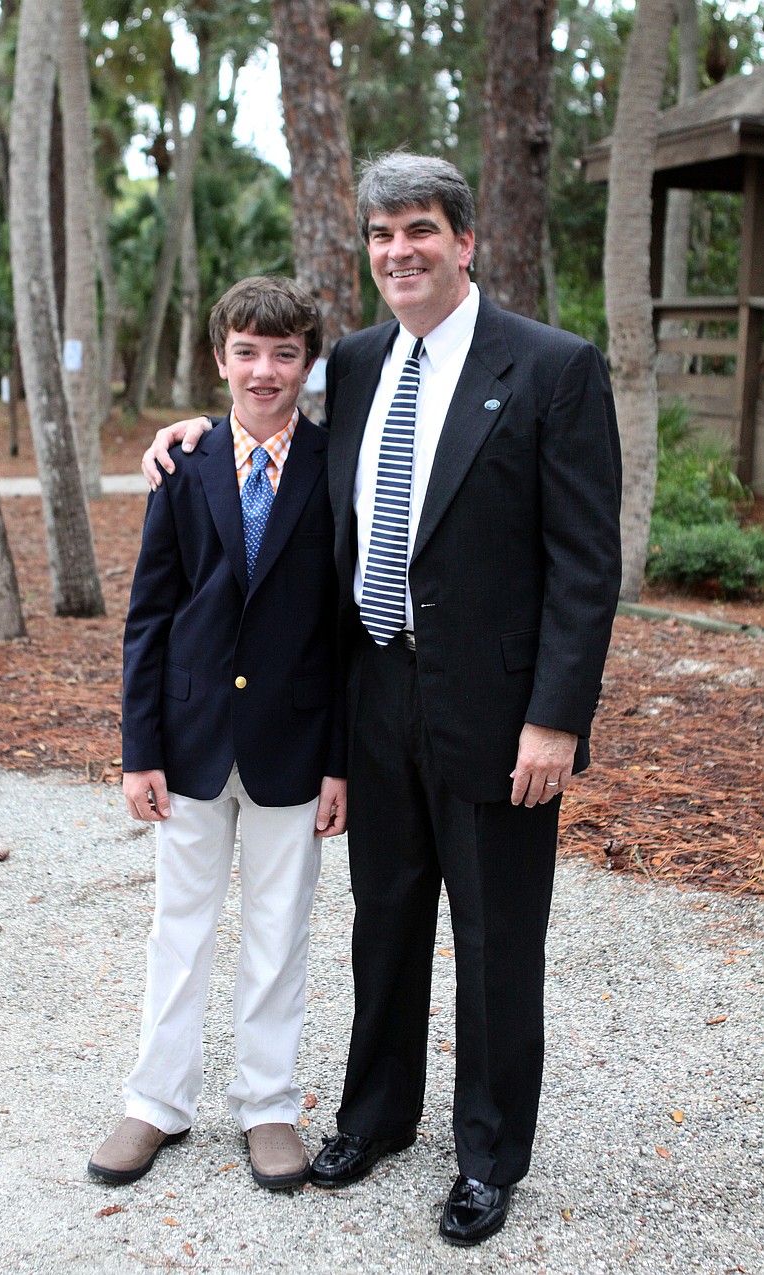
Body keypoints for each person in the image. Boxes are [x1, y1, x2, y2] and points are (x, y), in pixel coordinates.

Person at [141, 152, 622, 1244]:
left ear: (464, 240)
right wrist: (184, 434)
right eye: (380, 235)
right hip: (376, 688)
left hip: (500, 714)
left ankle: (489, 1155)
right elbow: (260, 407)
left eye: (418, 230)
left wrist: (555, 716)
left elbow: (586, 564)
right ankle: (376, 1120)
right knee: (386, 924)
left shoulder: (551, 367)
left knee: (496, 940)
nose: (398, 251)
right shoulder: (354, 362)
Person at [88, 276, 346, 1193]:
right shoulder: (183, 464)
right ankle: (156, 1101)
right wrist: (139, 749)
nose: (264, 371)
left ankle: (267, 1104)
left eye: (284, 353)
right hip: (192, 737)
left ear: (307, 363)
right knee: (179, 927)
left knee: (280, 929)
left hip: (295, 740)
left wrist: (342, 761)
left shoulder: (331, 465)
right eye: (247, 351)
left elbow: (347, 628)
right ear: (220, 359)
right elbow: (149, 615)